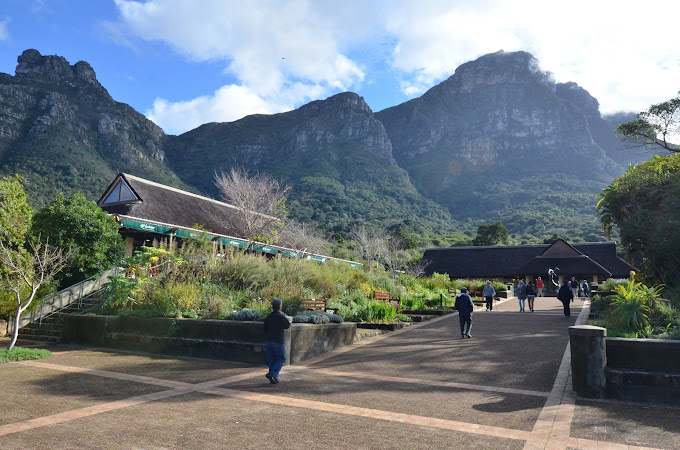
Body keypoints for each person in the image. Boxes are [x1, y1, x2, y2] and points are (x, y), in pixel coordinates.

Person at [263, 298, 291, 384]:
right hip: (278, 341)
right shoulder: (281, 317)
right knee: (281, 358)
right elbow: (287, 325)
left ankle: (274, 377)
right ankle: (272, 374)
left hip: (269, 341)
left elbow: (265, 328)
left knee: (272, 360)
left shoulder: (268, 317)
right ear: (280, 307)